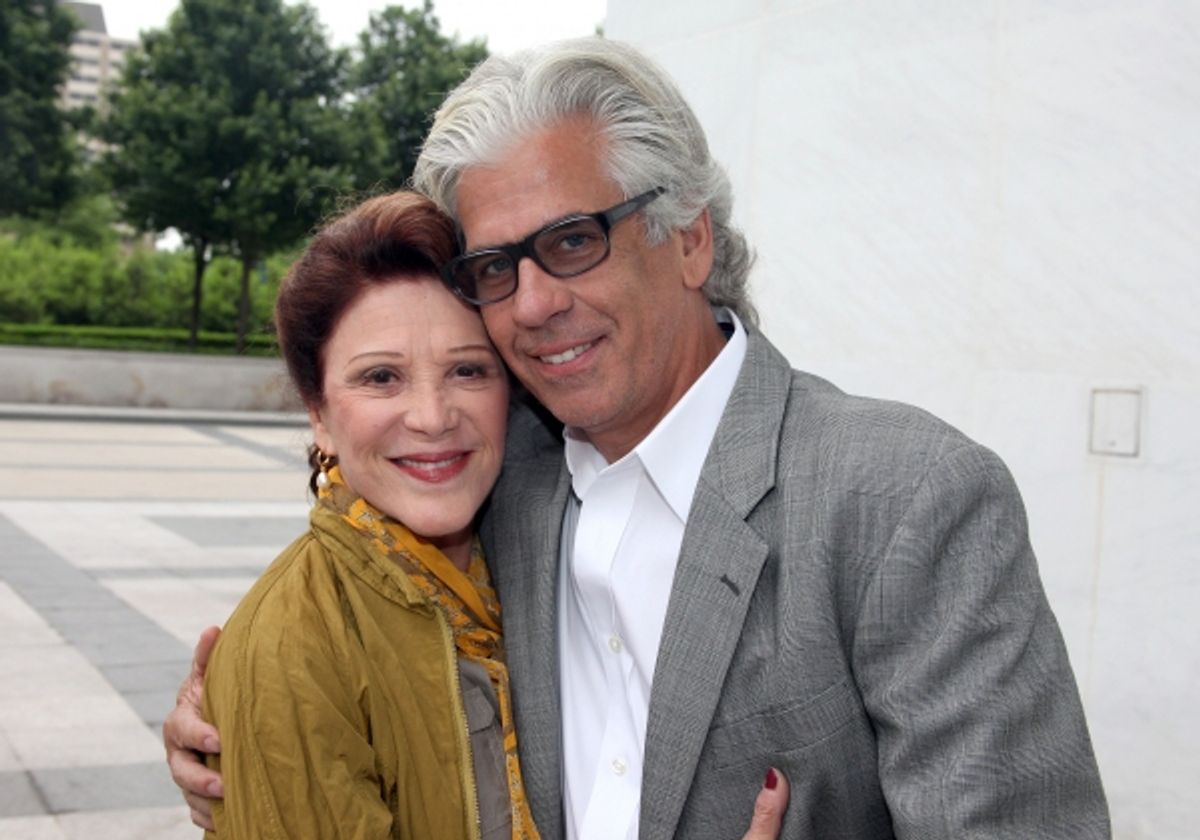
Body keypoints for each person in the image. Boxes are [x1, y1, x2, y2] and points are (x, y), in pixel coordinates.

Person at [166, 38, 1109, 838]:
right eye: (496, 266)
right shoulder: (499, 481)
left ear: (690, 237)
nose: (534, 304)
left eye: (574, 240)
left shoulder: (904, 499)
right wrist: (249, 725)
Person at [197, 191, 531, 839]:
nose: (433, 416)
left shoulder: (539, 567)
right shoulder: (292, 651)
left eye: (468, 369)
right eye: (381, 377)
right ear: (318, 413)